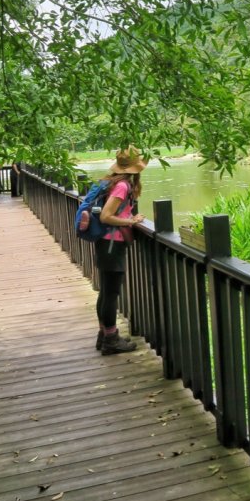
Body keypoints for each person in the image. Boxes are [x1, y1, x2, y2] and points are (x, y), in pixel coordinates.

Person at [94, 146, 146, 355]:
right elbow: (106, 216)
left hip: (106, 243)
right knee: (111, 293)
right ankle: (110, 341)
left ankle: (105, 335)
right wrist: (130, 220)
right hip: (112, 244)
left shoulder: (113, 181)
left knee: (106, 292)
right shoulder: (122, 186)